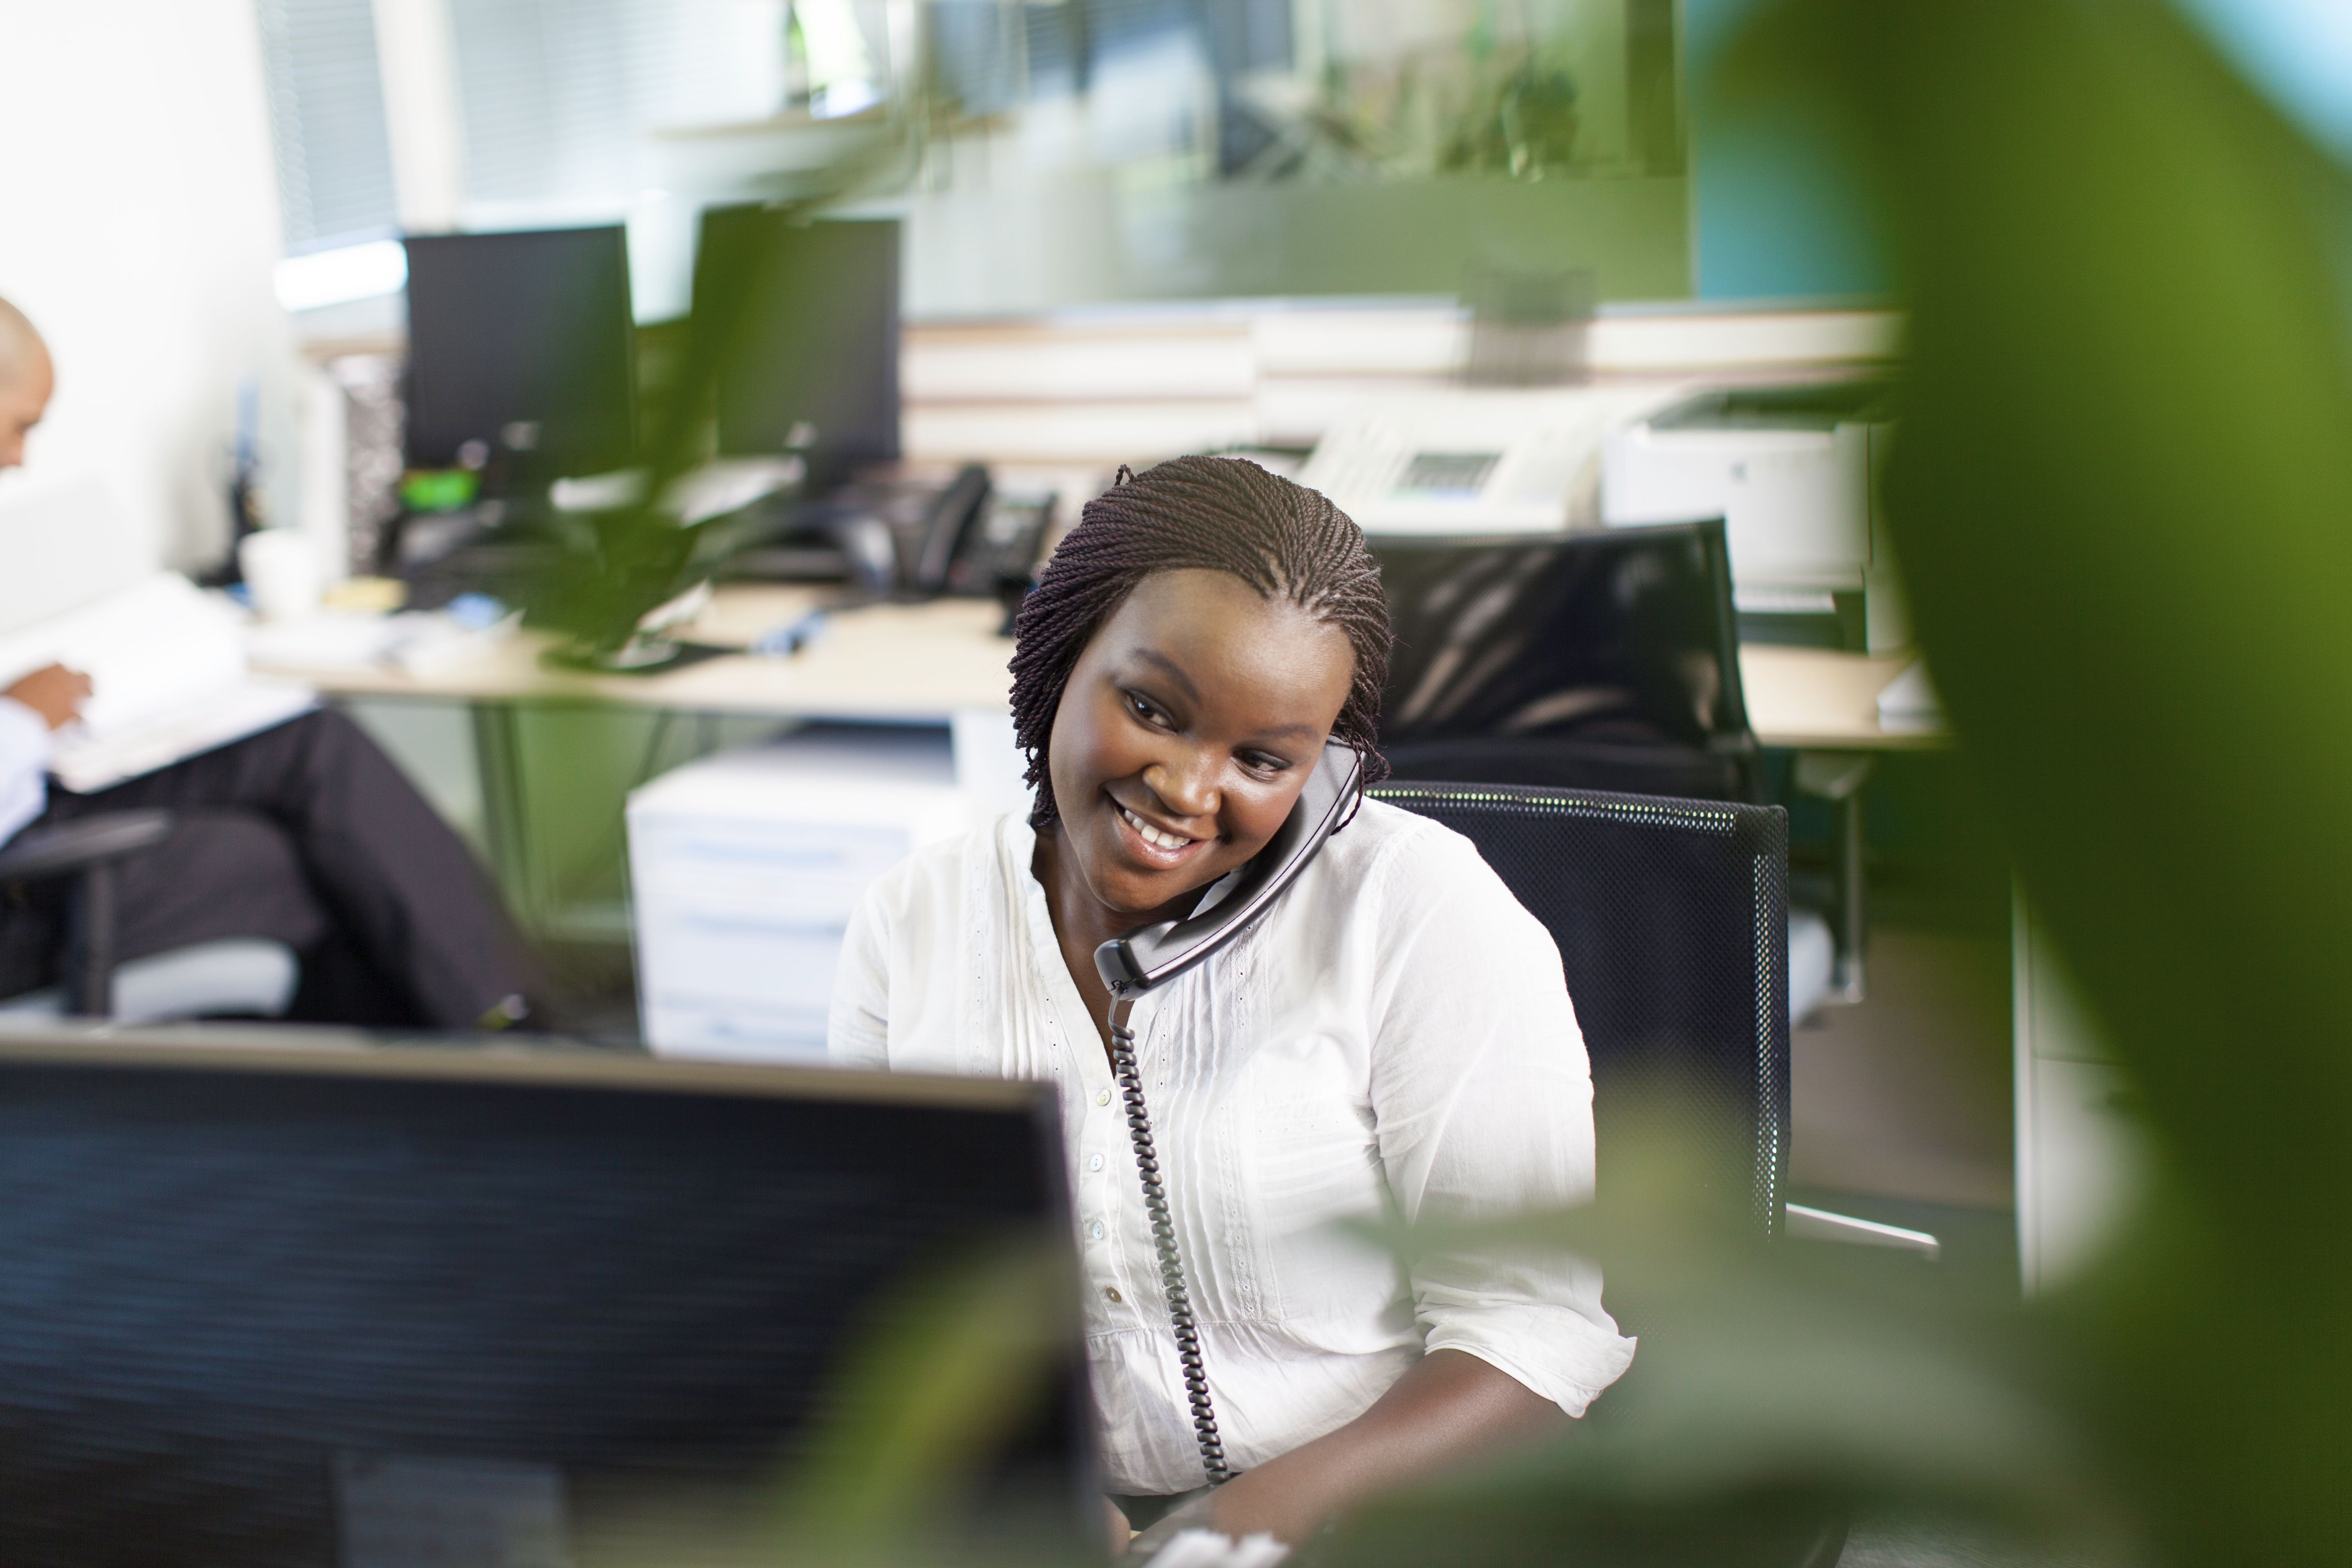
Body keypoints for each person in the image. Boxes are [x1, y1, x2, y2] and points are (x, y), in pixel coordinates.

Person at [830, 456, 1635, 1549]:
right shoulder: (910, 921)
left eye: (1262, 759)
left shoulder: (1422, 916)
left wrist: (1218, 1538)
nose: (1187, 790)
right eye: (1153, 708)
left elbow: (1530, 1331)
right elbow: (882, 1285)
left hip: (1361, 1512)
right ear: (1065, 651)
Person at [0, 295, 542, 1028]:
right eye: (20, 426)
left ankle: (492, 1031)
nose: (17, 458)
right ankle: (498, 1044)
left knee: (314, 747)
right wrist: (22, 717)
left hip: (38, 792)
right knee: (287, 861)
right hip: (21, 874)